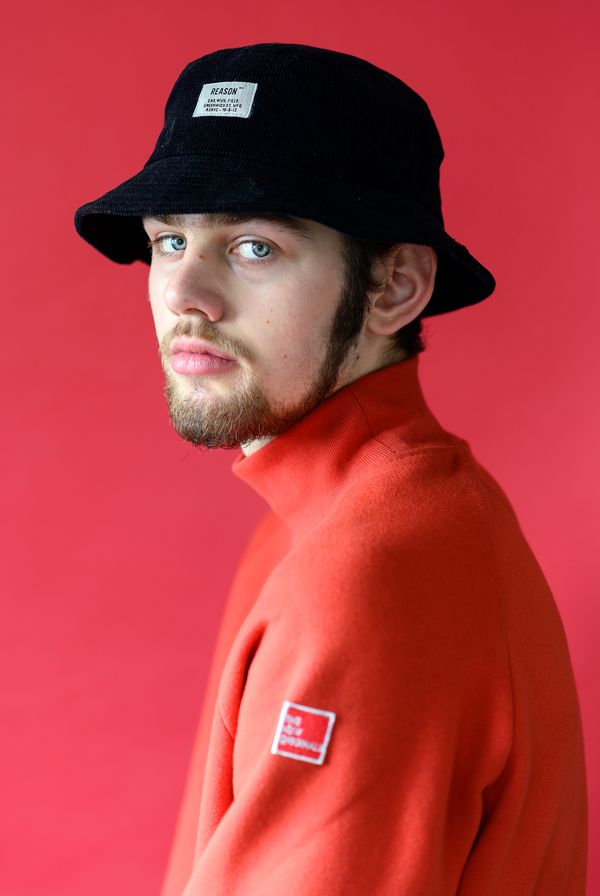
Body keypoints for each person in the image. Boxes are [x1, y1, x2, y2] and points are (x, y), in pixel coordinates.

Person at [74, 42, 587, 896]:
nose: (185, 294)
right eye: (169, 240)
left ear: (394, 288)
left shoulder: (374, 571)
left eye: (254, 248)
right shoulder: (345, 523)